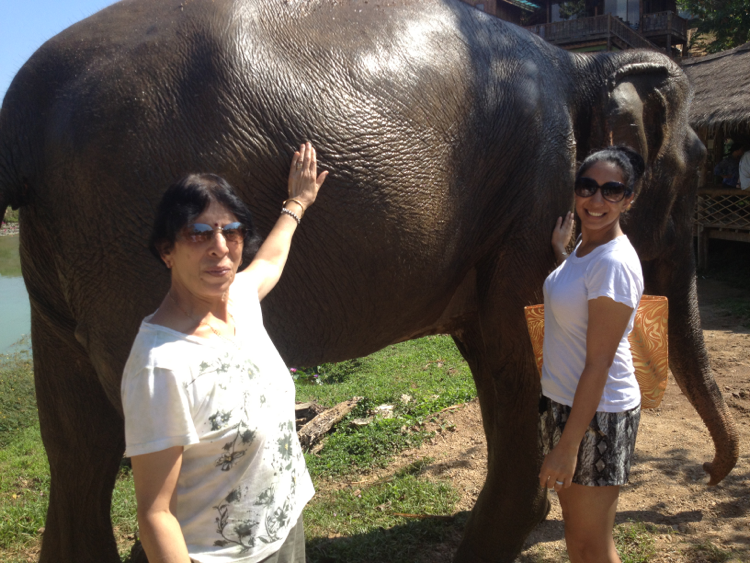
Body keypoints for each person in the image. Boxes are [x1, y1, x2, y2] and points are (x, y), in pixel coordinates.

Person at [121, 142, 328, 563]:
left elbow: (269, 261)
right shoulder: (160, 365)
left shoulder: (239, 300)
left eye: (230, 231)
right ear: (166, 251)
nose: (219, 247)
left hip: (284, 529)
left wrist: (297, 203)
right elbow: (155, 515)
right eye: (198, 234)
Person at [539, 146, 645, 563]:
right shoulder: (587, 250)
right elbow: (580, 301)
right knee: (578, 539)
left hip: (597, 417)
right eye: (588, 187)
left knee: (590, 546)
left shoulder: (614, 263)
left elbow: (599, 362)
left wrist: (567, 447)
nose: (596, 200)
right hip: (569, 404)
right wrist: (563, 256)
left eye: (612, 190)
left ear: (628, 199)